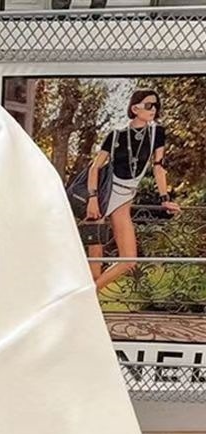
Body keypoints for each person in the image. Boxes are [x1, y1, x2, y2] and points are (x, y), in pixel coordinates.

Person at [84, 88, 181, 292]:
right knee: (95, 265)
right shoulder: (116, 135)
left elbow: (158, 167)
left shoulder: (156, 133)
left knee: (129, 261)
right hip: (101, 199)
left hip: (123, 200)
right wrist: (92, 199)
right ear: (135, 108)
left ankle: (83, 296)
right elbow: (94, 168)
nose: (153, 109)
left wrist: (165, 198)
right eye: (149, 105)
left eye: (156, 106)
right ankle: (87, 305)